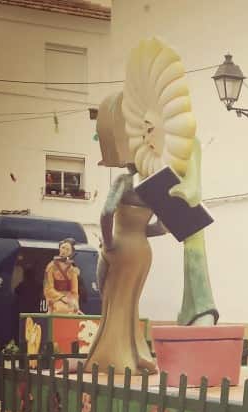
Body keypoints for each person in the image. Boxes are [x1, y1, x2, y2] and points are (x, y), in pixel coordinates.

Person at [84, 91, 164, 375]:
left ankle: (115, 357)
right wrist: (140, 232)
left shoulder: (124, 180)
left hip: (122, 248)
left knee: (115, 302)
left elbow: (106, 213)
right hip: (143, 251)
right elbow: (161, 227)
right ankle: (136, 353)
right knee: (130, 303)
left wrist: (109, 244)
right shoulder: (155, 186)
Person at [43, 238, 81, 314]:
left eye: (67, 249)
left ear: (71, 253)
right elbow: (48, 288)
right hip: (55, 298)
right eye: (63, 248)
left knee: (73, 309)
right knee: (61, 309)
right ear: (59, 248)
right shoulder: (51, 266)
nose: (64, 251)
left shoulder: (72, 269)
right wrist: (62, 298)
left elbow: (74, 291)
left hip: (69, 299)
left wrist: (73, 301)